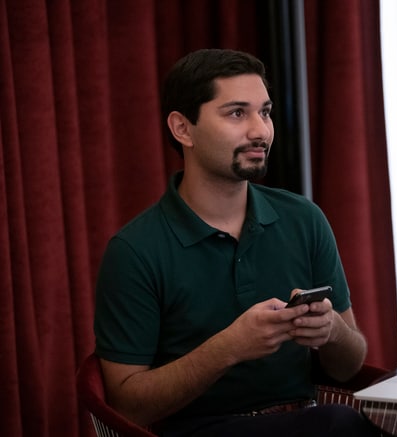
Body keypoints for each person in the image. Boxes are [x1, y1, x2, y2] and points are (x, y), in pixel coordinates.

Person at [93, 48, 382, 436]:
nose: (260, 131)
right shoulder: (134, 250)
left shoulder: (303, 219)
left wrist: (331, 331)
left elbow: (349, 366)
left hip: (310, 421)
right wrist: (228, 348)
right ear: (183, 128)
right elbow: (127, 406)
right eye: (236, 113)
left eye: (264, 112)